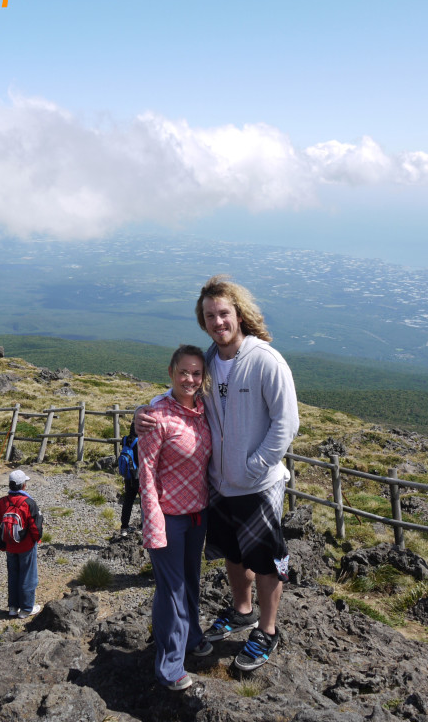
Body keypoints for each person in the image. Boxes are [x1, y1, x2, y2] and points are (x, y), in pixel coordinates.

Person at [137, 275, 299, 673]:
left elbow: (287, 421)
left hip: (258, 484)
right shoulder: (208, 361)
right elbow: (182, 392)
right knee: (232, 552)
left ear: (239, 314)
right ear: (203, 320)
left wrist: (256, 465)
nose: (217, 321)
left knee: (265, 558)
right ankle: (242, 610)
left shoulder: (265, 360)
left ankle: (267, 630)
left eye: (224, 313)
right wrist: (149, 410)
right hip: (220, 485)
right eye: (210, 315)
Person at [139, 345, 213, 691]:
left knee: (191, 581)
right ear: (171, 372)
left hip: (197, 515)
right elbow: (147, 472)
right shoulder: (157, 415)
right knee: (172, 589)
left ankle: (193, 637)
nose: (190, 379)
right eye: (184, 372)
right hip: (167, 517)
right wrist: (153, 522)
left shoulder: (203, 411)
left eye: (197, 373)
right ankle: (169, 665)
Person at [0, 469, 43, 618]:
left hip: (9, 545)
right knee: (28, 576)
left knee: (13, 575)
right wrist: (37, 539)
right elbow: (36, 528)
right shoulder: (29, 503)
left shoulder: (2, 502)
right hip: (27, 546)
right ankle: (26, 609)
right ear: (23, 485)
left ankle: (13, 607)